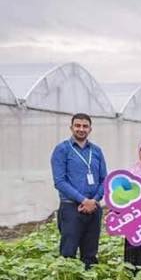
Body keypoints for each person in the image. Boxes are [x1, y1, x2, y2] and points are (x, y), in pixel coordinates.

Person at [50, 113, 108, 267]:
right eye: (77, 126)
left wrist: (94, 200)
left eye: (85, 126)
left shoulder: (96, 151)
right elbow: (60, 181)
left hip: (94, 208)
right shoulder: (62, 150)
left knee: (90, 254)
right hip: (71, 207)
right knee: (68, 253)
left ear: (90, 129)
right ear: (71, 127)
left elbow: (104, 180)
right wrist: (83, 200)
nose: (81, 129)